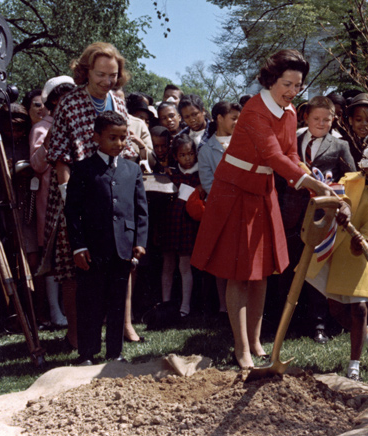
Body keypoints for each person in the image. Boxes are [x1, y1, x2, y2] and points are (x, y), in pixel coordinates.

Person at [191, 49, 337, 369]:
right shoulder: (255, 110)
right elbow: (273, 156)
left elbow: (289, 155)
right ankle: (241, 349)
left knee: (261, 274)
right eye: (287, 83)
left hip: (263, 191)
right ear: (271, 78)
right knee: (239, 274)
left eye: (297, 86)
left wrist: (311, 178)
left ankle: (256, 342)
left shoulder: (290, 113)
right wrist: (312, 185)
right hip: (235, 192)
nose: (291, 91)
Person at [44, 41, 137, 350]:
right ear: (85, 71)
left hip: (113, 193)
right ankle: (76, 332)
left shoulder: (119, 102)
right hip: (76, 192)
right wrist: (70, 196)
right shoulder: (70, 103)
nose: (106, 81)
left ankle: (122, 326)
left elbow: (126, 147)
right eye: (100, 74)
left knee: (118, 260)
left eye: (112, 75)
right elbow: (59, 155)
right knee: (76, 267)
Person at [305, 141, 368, 380]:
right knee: (336, 309)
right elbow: (340, 197)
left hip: (360, 253)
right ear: (366, 168)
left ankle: (354, 366)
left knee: (358, 308)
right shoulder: (350, 180)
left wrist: (363, 242)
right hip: (335, 248)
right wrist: (343, 207)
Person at [64, 111, 148, 365]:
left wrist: (139, 241)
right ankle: (87, 353)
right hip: (93, 250)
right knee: (90, 301)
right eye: (112, 138)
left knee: (117, 302)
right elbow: (73, 212)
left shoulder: (132, 170)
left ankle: (115, 353)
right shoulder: (82, 169)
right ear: (96, 136)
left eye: (123, 138)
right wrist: (78, 247)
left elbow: (141, 209)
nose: (119, 143)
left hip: (122, 248)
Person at [280, 95, 356, 343]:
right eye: (316, 119)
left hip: (323, 217)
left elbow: (351, 181)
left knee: (317, 270)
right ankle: (286, 321)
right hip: (291, 213)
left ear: (334, 119)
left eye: (327, 119)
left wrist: (344, 205)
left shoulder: (340, 146)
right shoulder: (292, 140)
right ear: (305, 117)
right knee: (289, 266)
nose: (321, 123)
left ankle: (319, 325)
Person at [29, 75, 76, 328]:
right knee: (52, 254)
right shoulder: (41, 128)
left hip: (73, 200)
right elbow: (37, 164)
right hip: (49, 201)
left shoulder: (76, 122)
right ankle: (55, 310)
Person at [197, 101, 242, 315]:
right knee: (222, 258)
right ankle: (224, 306)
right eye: (233, 118)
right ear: (219, 118)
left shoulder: (244, 143)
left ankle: (243, 304)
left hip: (245, 209)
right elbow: (208, 184)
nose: (237, 122)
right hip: (221, 211)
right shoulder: (206, 150)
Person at [158, 134, 201, 318]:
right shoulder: (171, 175)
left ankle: (185, 306)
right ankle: (166, 303)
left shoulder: (199, 176)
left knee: (185, 266)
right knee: (168, 264)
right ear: (176, 156)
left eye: (190, 154)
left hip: (187, 227)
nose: (187, 158)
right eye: (183, 155)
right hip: (170, 225)